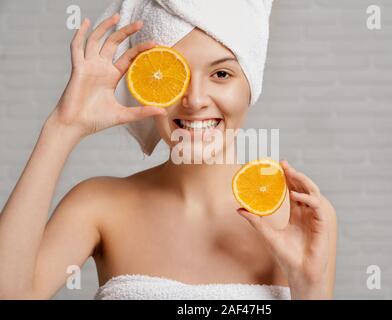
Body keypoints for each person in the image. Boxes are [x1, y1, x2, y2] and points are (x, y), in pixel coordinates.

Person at [0, 7, 337, 300]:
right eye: (174, 76)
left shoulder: (296, 217)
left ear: (251, 84)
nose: (194, 100)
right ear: (146, 86)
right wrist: (63, 126)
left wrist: (310, 287)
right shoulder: (98, 206)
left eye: (221, 74)